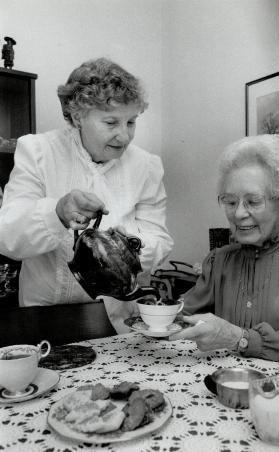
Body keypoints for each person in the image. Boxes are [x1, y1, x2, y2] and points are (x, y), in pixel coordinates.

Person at [0, 57, 173, 314]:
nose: (124, 136)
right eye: (111, 122)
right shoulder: (38, 152)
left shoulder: (146, 166)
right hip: (44, 313)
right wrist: (57, 213)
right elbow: (7, 238)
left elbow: (159, 238)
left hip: (115, 316)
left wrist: (128, 247)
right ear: (77, 116)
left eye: (131, 122)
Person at [170, 134, 279, 370]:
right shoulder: (219, 260)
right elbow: (183, 317)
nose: (239, 214)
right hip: (222, 388)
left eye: (253, 201)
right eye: (230, 202)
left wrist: (239, 338)